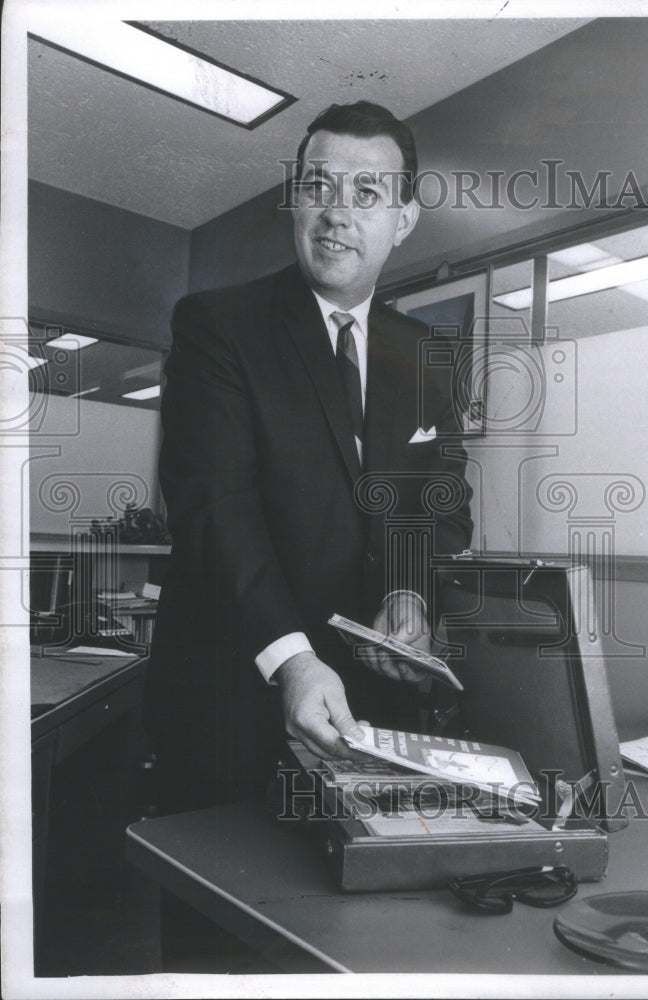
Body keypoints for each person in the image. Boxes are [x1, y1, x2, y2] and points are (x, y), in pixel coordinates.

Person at [143, 101, 473, 818]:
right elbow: (214, 506)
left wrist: (410, 592)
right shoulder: (216, 326)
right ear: (295, 201)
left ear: (404, 220)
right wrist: (291, 658)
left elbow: (440, 502)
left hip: (374, 713)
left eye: (366, 194)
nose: (337, 213)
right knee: (219, 922)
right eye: (318, 187)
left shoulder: (426, 356)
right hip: (230, 701)